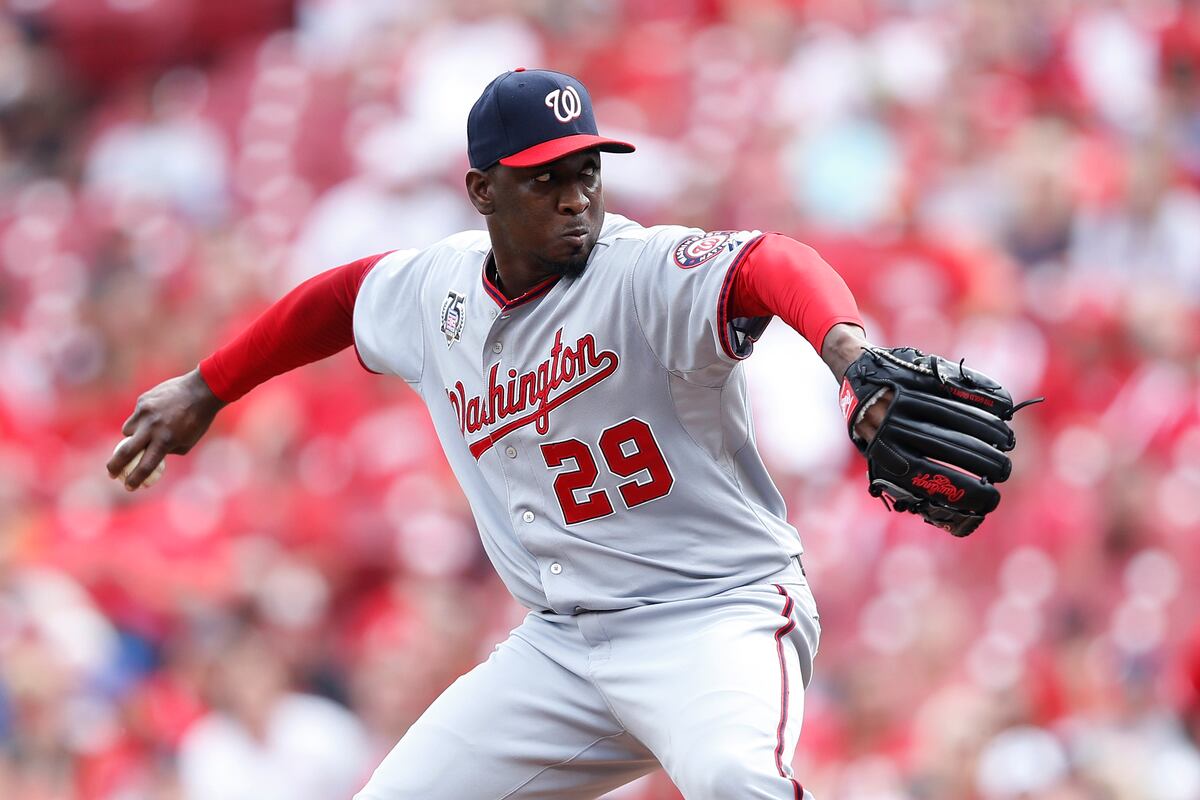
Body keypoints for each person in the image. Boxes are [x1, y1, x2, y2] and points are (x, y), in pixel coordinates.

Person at [108, 69, 1018, 799]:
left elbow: (770, 262)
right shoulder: (439, 291)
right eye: (546, 178)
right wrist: (207, 384)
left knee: (738, 781)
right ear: (482, 191)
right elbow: (342, 300)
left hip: (714, 617)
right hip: (563, 646)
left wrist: (850, 354)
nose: (576, 196)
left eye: (586, 170)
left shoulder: (641, 270)